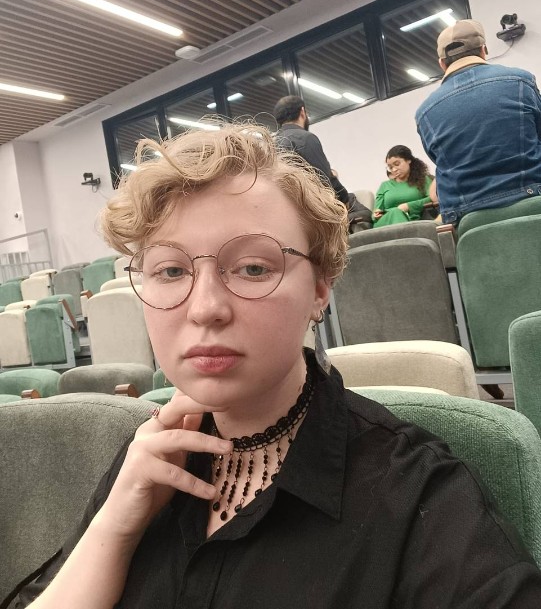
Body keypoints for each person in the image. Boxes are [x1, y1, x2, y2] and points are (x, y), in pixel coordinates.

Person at [14, 126, 541, 608]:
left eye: (252, 267)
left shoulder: (416, 494)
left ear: (320, 288)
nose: (205, 308)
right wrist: (114, 529)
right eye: (170, 271)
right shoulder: (143, 462)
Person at [416, 18, 541, 224]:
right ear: (484, 50)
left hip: (467, 223)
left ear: (442, 63)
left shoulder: (424, 113)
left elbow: (440, 162)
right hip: (533, 204)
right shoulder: (521, 81)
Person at [273, 94, 351, 206]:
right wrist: (344, 198)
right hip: (311, 207)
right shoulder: (305, 138)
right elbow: (324, 180)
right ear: (302, 112)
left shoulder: (272, 143)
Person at [372, 145, 433, 227]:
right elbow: (376, 212)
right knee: (396, 212)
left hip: (414, 221)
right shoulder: (385, 185)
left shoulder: (423, 180)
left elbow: (432, 198)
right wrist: (375, 214)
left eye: (397, 164)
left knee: (398, 213)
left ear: (408, 160)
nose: (394, 170)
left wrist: (409, 206)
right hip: (386, 223)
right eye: (390, 167)